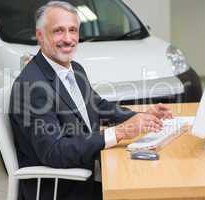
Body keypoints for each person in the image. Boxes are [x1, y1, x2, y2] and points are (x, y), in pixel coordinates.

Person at [9, 1, 172, 200]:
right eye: (58, 31)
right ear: (41, 35)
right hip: (63, 189)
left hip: (88, 171)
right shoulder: (32, 87)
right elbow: (54, 151)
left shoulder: (74, 69)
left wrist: (142, 116)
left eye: (73, 30)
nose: (68, 39)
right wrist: (120, 132)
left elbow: (98, 106)